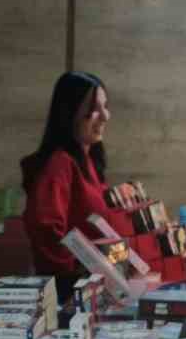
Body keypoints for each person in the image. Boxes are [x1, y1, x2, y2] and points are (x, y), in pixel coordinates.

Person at [20, 71, 121, 302]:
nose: (105, 116)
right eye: (94, 109)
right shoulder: (59, 164)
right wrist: (77, 272)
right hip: (71, 293)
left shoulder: (89, 160)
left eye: (105, 106)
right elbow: (44, 228)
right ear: (70, 113)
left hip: (96, 285)